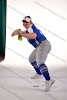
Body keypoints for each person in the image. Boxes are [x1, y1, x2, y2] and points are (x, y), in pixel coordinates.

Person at [11, 16, 55, 92]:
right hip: (40, 46)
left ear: (30, 22)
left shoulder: (31, 29)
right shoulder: (29, 29)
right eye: (23, 22)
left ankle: (49, 80)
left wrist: (21, 33)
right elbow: (25, 32)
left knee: (40, 62)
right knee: (31, 59)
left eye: (26, 22)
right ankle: (39, 74)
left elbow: (33, 35)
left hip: (43, 45)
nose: (24, 23)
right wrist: (18, 32)